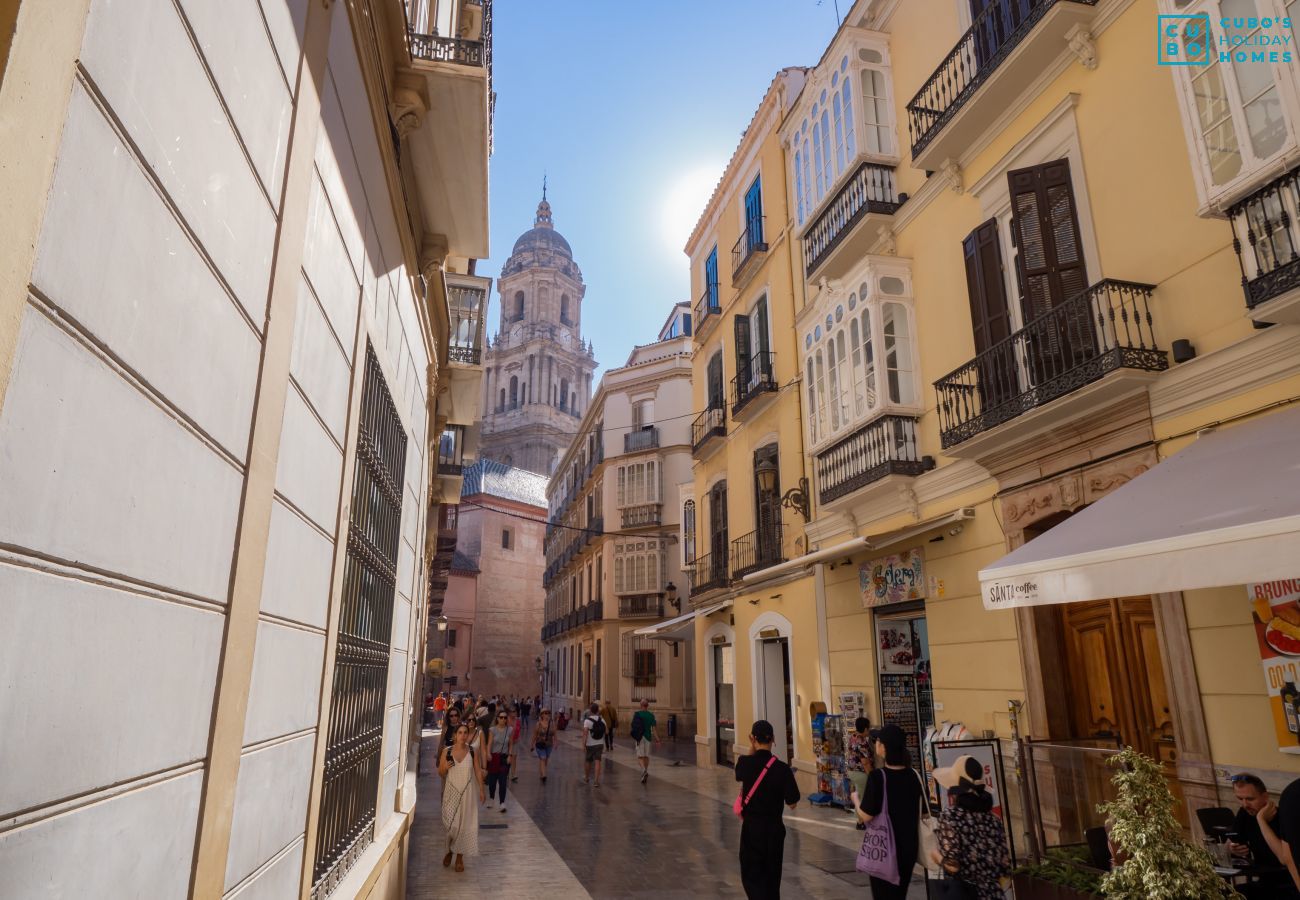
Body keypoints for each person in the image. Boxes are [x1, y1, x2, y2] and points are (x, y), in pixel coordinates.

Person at [854, 724, 928, 900]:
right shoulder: (914, 776)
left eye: (877, 741)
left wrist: (856, 800)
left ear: (884, 747)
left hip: (884, 849)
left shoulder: (878, 777)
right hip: (908, 849)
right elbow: (924, 812)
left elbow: (865, 816)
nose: (875, 744)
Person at [735, 719, 800, 900]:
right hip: (774, 830)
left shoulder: (744, 763)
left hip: (751, 830)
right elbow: (792, 802)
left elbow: (739, 774)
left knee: (751, 875)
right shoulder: (782, 769)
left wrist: (752, 746)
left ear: (753, 738)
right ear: (773, 739)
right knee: (772, 877)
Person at [930, 754, 1010, 899]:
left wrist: (937, 856)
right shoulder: (994, 820)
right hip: (994, 893)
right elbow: (1004, 865)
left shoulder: (950, 818)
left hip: (966, 893)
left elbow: (953, 865)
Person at [438, 723, 485, 873]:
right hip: (451, 792)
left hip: (468, 793)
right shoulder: (447, 751)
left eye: (465, 733)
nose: (463, 735)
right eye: (460, 733)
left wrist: (482, 790)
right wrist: (445, 767)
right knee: (452, 826)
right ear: (455, 735)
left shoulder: (472, 751)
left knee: (465, 826)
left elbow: (478, 771)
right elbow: (441, 773)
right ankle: (450, 850)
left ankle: (459, 857)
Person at [1255, 776, 1300, 897]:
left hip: (1284, 882)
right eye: (1240, 798)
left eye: (1250, 799)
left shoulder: (1290, 796)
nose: (1245, 804)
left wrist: (1261, 820)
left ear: (1265, 797)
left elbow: (1286, 858)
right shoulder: (1292, 797)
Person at [845, 717, 874, 830]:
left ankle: (860, 820)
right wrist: (872, 776)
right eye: (869, 728)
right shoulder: (862, 741)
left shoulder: (852, 737)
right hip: (861, 772)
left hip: (852, 771)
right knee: (863, 798)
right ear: (865, 729)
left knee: (859, 795)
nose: (869, 730)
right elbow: (865, 762)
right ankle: (861, 822)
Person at [485, 710, 514, 812]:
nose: (503, 719)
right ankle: (491, 798)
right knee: (492, 781)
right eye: (501, 717)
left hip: (504, 758)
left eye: (505, 717)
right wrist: (488, 753)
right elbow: (489, 743)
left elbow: (511, 744)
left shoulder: (510, 730)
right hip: (494, 757)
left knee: (503, 781)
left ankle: (502, 802)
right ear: (497, 718)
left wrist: (510, 755)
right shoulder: (492, 730)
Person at [630, 699, 660, 784]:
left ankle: (644, 771)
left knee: (640, 756)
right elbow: (654, 729)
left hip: (639, 737)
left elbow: (633, 725)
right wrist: (658, 740)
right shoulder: (651, 715)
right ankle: (645, 773)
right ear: (647, 706)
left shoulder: (637, 714)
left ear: (640, 705)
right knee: (646, 756)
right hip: (648, 737)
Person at [582, 702, 606, 786]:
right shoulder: (602, 720)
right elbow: (606, 731)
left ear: (590, 711)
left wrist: (583, 744)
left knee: (588, 761)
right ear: (597, 711)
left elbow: (585, 733)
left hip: (590, 744)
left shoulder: (587, 721)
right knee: (598, 761)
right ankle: (596, 781)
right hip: (600, 743)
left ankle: (586, 777)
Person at [531, 707, 555, 783]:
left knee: (545, 759)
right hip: (540, 744)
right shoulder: (538, 724)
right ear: (541, 715)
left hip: (549, 744)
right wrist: (532, 744)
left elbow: (555, 733)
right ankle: (544, 775)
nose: (546, 714)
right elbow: (534, 735)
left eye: (548, 713)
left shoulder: (552, 723)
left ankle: (542, 772)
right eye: (545, 713)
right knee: (543, 758)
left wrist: (556, 741)